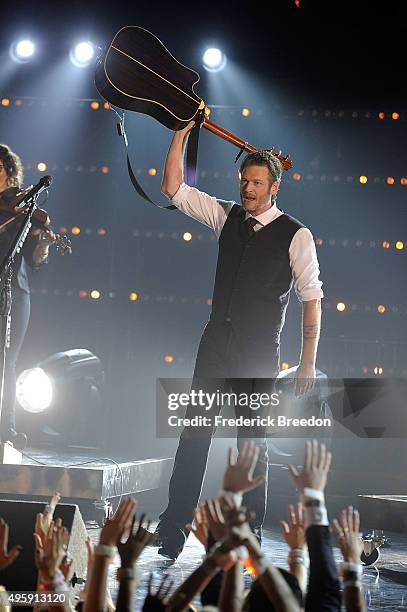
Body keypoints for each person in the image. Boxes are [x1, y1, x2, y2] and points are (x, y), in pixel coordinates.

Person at [156, 122, 324, 558]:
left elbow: (312, 300)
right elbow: (173, 187)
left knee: (252, 447)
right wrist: (180, 133)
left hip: (257, 355)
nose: (247, 189)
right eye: (244, 182)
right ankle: (173, 530)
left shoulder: (296, 234)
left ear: (274, 187)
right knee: (193, 437)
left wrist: (306, 363)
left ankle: (246, 540)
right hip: (214, 346)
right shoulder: (226, 215)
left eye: (256, 183)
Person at [0, 144, 56, 450]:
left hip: (15, 293)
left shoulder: (24, 207)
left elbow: (35, 260)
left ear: (10, 173)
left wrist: (45, 244)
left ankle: (6, 427)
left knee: (7, 360)